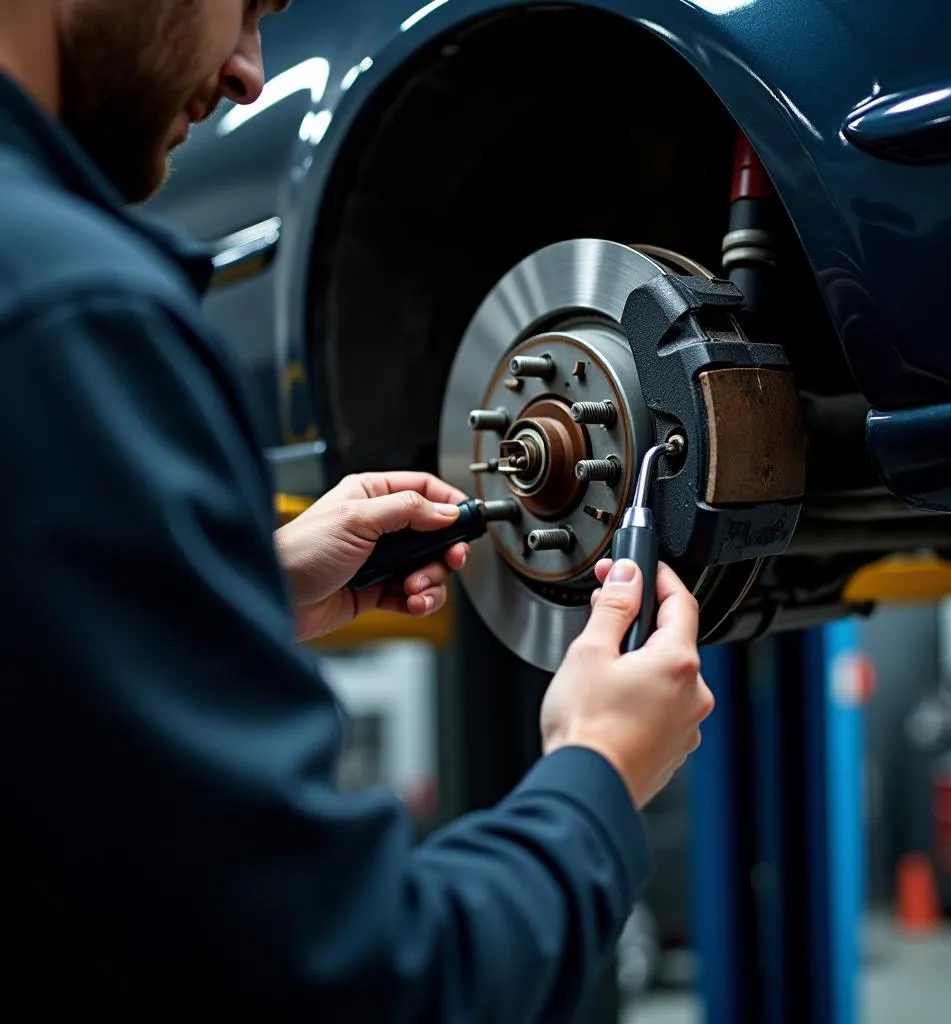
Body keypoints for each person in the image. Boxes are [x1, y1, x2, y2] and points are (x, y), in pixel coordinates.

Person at [0, 1, 714, 1020]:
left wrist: (243, 584)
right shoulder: (71, 314)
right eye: (246, 3)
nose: (250, 68)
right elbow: (360, 980)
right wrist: (598, 773)